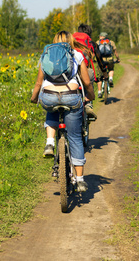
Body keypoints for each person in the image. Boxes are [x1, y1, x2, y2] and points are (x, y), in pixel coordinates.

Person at [30, 30, 95, 192]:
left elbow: (39, 83)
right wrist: (90, 95)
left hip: (49, 96)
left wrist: (34, 98)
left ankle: (50, 142)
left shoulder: (46, 55)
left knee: (51, 108)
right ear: (71, 41)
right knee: (74, 137)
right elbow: (86, 82)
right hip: (71, 96)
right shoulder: (77, 55)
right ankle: (80, 180)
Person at [74, 24, 109, 119]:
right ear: (89, 34)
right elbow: (100, 60)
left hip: (72, 72)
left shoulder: (71, 41)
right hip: (85, 70)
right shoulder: (92, 44)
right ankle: (88, 104)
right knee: (89, 80)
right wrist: (105, 73)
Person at [96, 32, 120, 97]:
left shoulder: (97, 42)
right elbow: (115, 52)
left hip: (101, 60)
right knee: (111, 69)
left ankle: (99, 92)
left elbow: (94, 52)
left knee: (100, 77)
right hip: (109, 59)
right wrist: (118, 59)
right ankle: (111, 78)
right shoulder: (111, 42)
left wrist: (94, 59)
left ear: (100, 36)